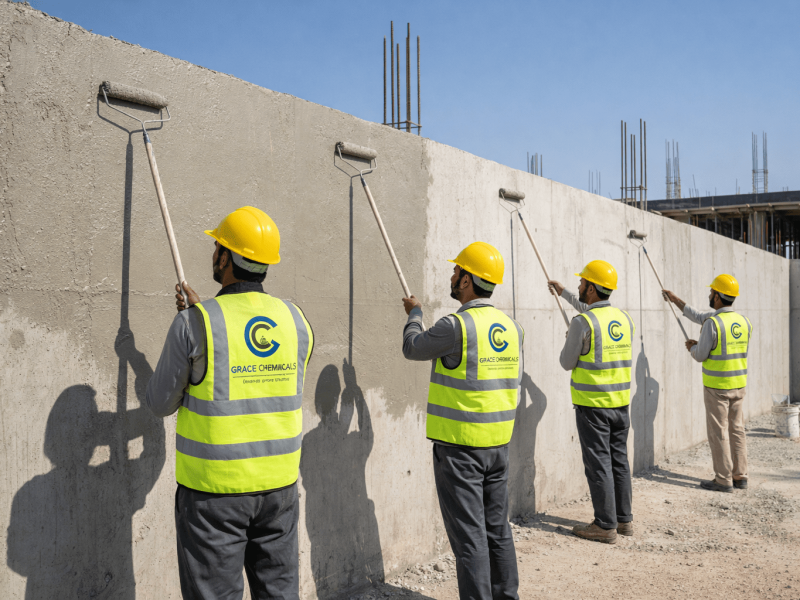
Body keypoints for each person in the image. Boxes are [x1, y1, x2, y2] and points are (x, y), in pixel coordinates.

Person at [145, 206, 314, 599]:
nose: (214, 255)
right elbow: (255, 369)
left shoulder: (195, 324)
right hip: (280, 490)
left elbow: (159, 404)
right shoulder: (295, 319)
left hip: (213, 497)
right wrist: (202, 318)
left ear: (227, 257)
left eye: (218, 247)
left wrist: (194, 326)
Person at [402, 241, 524, 600]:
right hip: (497, 447)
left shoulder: (455, 326)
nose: (452, 276)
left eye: (457, 271)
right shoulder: (512, 327)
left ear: (469, 281)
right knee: (497, 531)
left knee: (470, 540)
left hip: (460, 451)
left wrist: (414, 314)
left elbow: (413, 348)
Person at [548, 260, 635, 545]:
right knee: (619, 462)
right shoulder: (623, 319)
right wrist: (563, 293)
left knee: (598, 464)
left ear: (593, 289)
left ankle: (604, 525)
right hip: (620, 404)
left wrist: (570, 340)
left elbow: (565, 362)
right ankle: (624, 521)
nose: (579, 286)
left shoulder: (582, 323)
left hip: (593, 405)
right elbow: (590, 313)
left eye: (582, 283)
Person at [662, 274, 751, 493]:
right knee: (737, 430)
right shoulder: (742, 321)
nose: (709, 294)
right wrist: (675, 300)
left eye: (712, 292)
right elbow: (698, 316)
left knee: (718, 431)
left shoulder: (713, 323)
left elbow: (701, 355)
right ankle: (740, 476)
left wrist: (693, 346)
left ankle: (723, 479)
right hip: (738, 384)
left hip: (717, 387)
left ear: (719, 296)